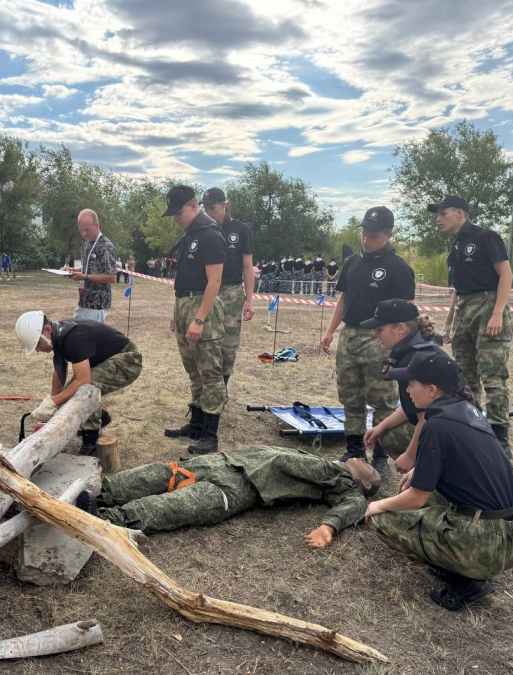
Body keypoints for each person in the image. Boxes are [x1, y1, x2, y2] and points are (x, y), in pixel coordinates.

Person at [366, 351, 513, 611]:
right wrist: (419, 469)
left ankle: (467, 580)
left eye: (412, 384)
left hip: (490, 545)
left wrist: (380, 504)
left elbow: (417, 498)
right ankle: (462, 559)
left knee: (382, 518)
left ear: (431, 390)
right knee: (417, 487)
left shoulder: (437, 426)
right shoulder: (467, 408)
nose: (407, 390)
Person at [76, 446, 380, 547]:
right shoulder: (330, 463)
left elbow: (356, 507)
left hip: (238, 489)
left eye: (367, 466)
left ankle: (106, 519)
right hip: (224, 462)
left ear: (364, 483)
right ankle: (101, 492)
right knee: (157, 474)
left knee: (175, 505)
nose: (363, 460)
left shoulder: (346, 487)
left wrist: (328, 527)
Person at [320, 207, 415, 476]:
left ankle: (381, 457)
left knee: (382, 400)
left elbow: (406, 312)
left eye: (373, 235)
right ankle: (354, 451)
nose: (366, 240)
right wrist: (330, 331)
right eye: (363, 233)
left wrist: (399, 344)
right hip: (350, 336)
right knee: (350, 396)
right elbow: (344, 299)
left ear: (388, 234)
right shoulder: (352, 262)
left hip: (379, 339)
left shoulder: (399, 268)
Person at [431, 195, 513, 457]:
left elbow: (506, 274)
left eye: (443, 213)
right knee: (465, 377)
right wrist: (448, 321)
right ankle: (474, 427)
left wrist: (497, 313)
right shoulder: (456, 245)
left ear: (459, 212)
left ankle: (500, 436)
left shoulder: (484, 236)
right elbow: (458, 289)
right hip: (465, 308)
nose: (438, 219)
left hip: (488, 305)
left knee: (493, 375)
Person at [16, 310, 142, 454]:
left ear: (47, 330)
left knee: (85, 389)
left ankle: (91, 441)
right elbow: (59, 371)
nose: (38, 350)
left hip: (128, 361)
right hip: (109, 360)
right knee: (69, 395)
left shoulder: (73, 338)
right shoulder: (59, 334)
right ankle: (101, 417)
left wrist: (54, 402)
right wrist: (52, 401)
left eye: (37, 344)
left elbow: (84, 381)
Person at [162, 185, 227, 454]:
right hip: (184, 304)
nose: (176, 219)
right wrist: (177, 313)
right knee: (194, 370)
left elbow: (215, 281)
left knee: (209, 372)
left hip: (203, 307)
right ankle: (197, 424)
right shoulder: (191, 235)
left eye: (179, 213)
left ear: (193, 206)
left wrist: (199, 319)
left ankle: (210, 434)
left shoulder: (210, 234)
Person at [360, 299, 450, 475]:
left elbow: (426, 417)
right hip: (449, 429)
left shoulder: (413, 359)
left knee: (393, 437)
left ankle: (435, 491)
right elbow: (414, 406)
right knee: (387, 432)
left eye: (380, 329)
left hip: (448, 435)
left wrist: (410, 456)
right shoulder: (411, 352)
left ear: (401, 329)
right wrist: (382, 426)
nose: (375, 334)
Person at [201, 188, 255, 404]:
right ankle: (207, 388)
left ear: (224, 204)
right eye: (205, 208)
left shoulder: (241, 229)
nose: (209, 212)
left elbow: (247, 265)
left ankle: (222, 387)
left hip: (232, 292)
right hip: (207, 291)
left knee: (228, 344)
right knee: (206, 340)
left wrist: (249, 299)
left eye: (212, 207)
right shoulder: (204, 229)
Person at [60, 209, 117, 322]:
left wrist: (84, 277)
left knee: (93, 338)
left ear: (96, 225)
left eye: (87, 230)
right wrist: (71, 270)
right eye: (81, 230)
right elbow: (88, 268)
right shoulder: (87, 245)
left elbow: (111, 277)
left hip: (97, 304)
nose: (84, 234)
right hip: (83, 301)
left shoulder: (106, 246)